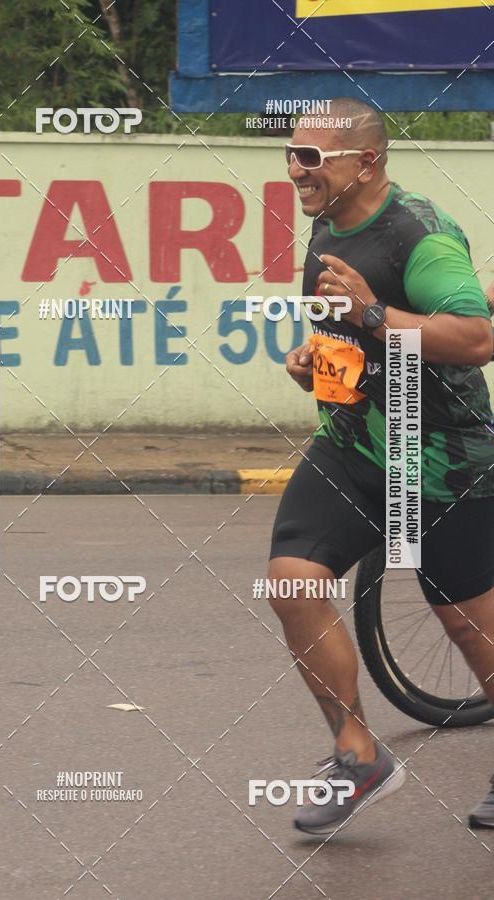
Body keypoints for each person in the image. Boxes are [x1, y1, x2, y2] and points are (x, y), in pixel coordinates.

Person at [268, 97, 494, 835]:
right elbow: (345, 343)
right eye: (291, 154)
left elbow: (473, 337)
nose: (295, 169)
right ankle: (358, 752)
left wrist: (371, 314)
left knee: (468, 629)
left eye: (311, 156)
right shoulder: (326, 223)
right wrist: (315, 366)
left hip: (439, 457)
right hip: (355, 445)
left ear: (366, 161)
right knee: (291, 581)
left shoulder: (418, 236)